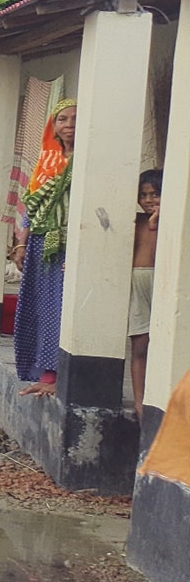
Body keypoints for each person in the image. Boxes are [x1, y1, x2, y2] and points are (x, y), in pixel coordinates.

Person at [13, 97, 77, 396]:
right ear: (53, 125)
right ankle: (43, 371)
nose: (69, 125)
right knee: (40, 307)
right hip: (40, 243)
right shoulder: (48, 160)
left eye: (75, 119)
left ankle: (59, 375)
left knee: (60, 307)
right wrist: (21, 243)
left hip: (66, 243)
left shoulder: (86, 161)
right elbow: (32, 206)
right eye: (62, 119)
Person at [131, 167, 162, 407]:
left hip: (162, 283)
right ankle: (139, 403)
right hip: (138, 285)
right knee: (140, 344)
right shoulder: (136, 221)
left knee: (162, 344)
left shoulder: (170, 223)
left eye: (155, 194)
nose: (149, 200)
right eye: (144, 195)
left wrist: (155, 223)